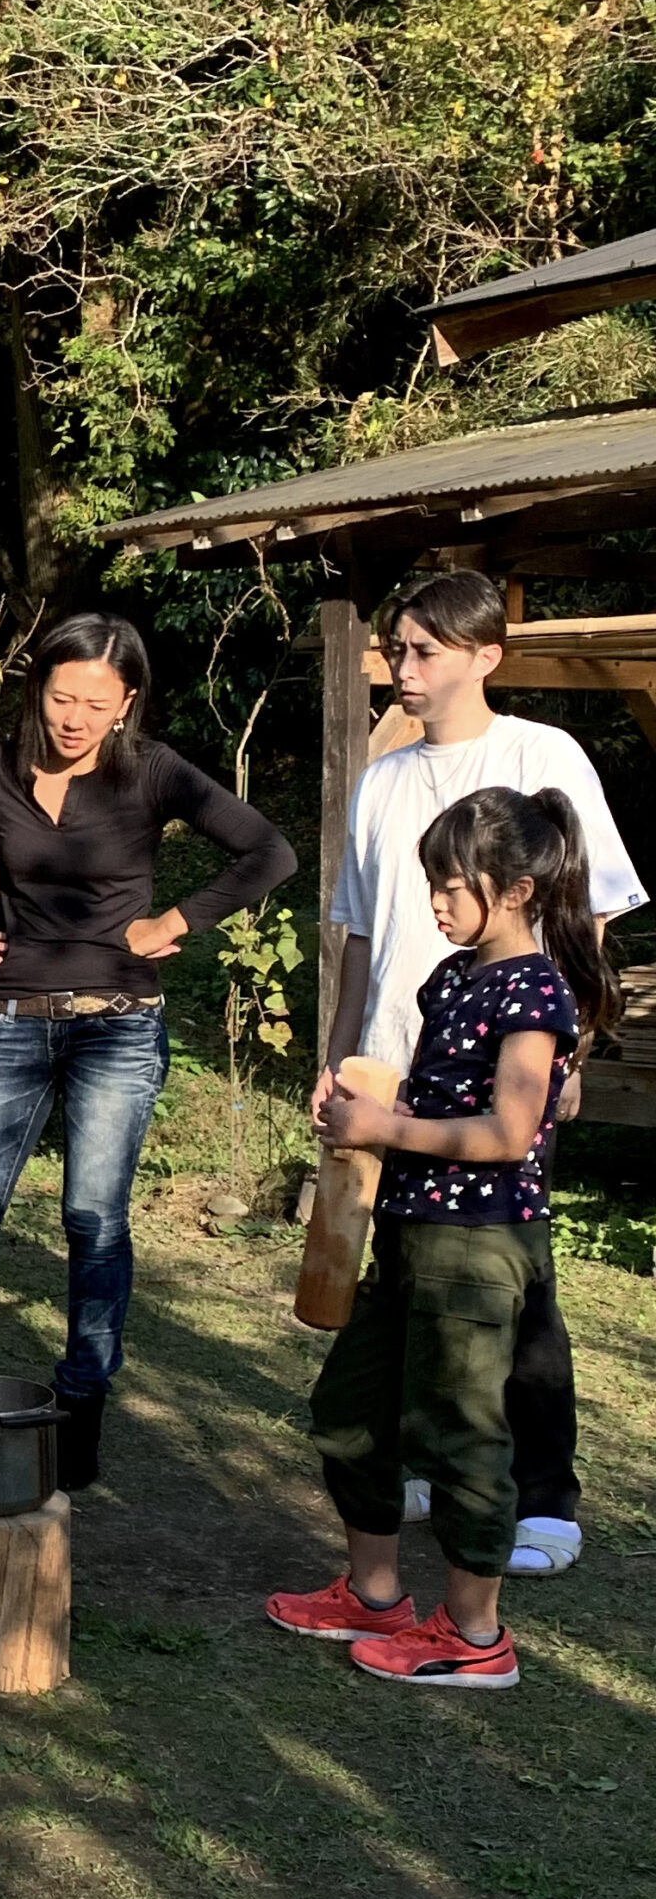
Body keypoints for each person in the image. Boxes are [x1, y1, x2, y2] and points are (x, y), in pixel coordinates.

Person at [0, 613, 297, 1490]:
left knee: (92, 1215)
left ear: (126, 704)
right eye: (59, 696)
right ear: (36, 691)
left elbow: (270, 851)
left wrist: (177, 919)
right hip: (11, 1015)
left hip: (119, 1022)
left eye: (95, 701)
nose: (73, 717)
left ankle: (81, 1401)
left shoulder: (153, 773)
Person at [316, 570, 644, 1575]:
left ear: (484, 655)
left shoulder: (541, 756)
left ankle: (543, 1496)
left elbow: (586, 910)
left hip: (511, 1054)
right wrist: (336, 1062)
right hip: (402, 1064)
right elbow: (360, 938)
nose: (400, 671)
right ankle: (426, 1459)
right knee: (413, 1275)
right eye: (394, 651)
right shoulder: (379, 777)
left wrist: (572, 1046)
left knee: (518, 1281)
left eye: (420, 652)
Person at [268, 787, 618, 1689]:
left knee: (461, 1431)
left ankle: (474, 1635)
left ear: (518, 891)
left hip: (480, 1245)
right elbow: (438, 1103)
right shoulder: (456, 977)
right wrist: (369, 1110)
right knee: (350, 1411)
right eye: (432, 882)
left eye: (453, 886)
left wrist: (385, 1131)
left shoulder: (535, 990)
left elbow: (508, 1133)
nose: (434, 902)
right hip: (412, 1233)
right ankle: (375, 1594)